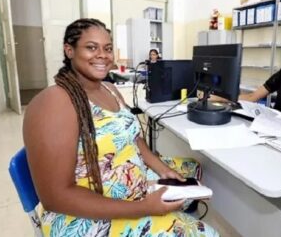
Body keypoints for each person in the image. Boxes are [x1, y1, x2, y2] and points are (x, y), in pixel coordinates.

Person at [23, 18, 219, 236]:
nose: (102, 55)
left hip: (131, 188)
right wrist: (143, 208)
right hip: (85, 218)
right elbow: (55, 198)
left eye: (107, 48)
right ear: (69, 50)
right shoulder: (53, 103)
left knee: (193, 169)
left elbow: (135, 138)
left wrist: (161, 169)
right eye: (91, 47)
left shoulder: (109, 89)